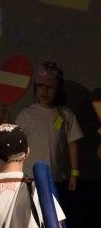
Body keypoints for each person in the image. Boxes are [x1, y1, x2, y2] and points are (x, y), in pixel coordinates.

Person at [12, 61, 82, 191]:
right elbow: (16, 146)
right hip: (30, 178)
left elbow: (72, 144)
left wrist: (74, 174)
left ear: (58, 89)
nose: (45, 91)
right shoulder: (26, 114)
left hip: (55, 178)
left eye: (50, 87)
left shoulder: (66, 114)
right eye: (41, 86)